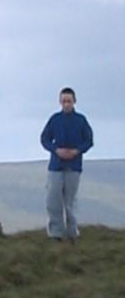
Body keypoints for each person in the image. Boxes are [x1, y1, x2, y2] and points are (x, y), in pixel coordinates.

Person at [40, 87, 94, 244]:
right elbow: (44, 139)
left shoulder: (81, 120)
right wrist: (56, 150)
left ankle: (72, 233)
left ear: (74, 101)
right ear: (60, 102)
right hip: (56, 166)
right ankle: (55, 234)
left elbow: (89, 140)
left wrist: (77, 151)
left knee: (70, 202)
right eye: (63, 101)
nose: (66, 104)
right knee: (53, 200)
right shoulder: (55, 120)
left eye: (69, 101)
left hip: (74, 166)